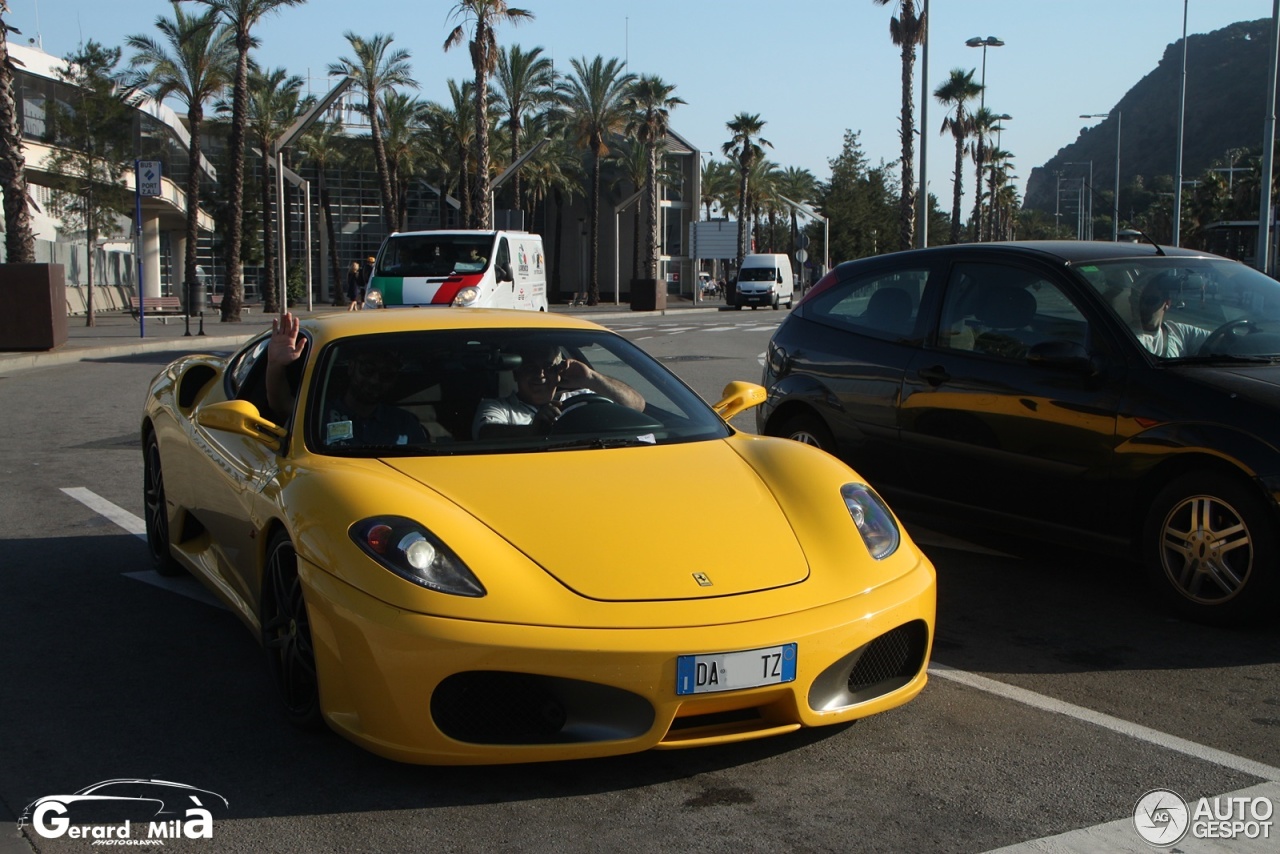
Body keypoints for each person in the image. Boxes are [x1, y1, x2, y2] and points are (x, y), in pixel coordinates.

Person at [265, 312, 428, 446]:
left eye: (386, 375)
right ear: (351, 368)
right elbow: (280, 404)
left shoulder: (404, 423)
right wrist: (275, 365)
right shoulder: (320, 414)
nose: (375, 380)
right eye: (368, 370)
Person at [473, 341, 645, 439]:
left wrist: (591, 378)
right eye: (530, 368)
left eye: (548, 367)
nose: (540, 375)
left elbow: (636, 405)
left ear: (559, 372)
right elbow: (486, 435)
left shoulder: (585, 398)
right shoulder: (499, 408)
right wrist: (534, 430)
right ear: (516, 374)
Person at [1133, 277, 1212, 357]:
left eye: (1151, 300)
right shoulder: (1127, 339)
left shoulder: (1177, 331)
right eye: (1138, 300)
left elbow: (1214, 337)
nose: (1143, 306)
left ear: (1167, 304)